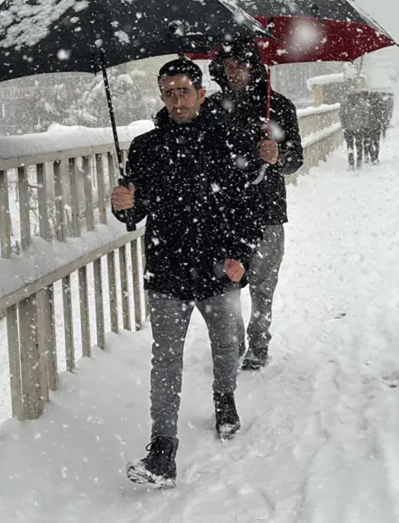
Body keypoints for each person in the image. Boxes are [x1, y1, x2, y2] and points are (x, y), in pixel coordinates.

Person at [111, 57, 262, 489]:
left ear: (200, 94)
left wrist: (241, 258)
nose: (176, 100)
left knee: (227, 343)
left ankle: (224, 396)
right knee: (166, 360)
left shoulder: (226, 141)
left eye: (183, 91)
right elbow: (133, 213)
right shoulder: (145, 147)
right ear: (161, 97)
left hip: (218, 266)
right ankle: (162, 450)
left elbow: (245, 209)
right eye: (168, 92)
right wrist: (122, 204)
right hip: (167, 268)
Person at [208, 41, 303, 371]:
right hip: (225, 214)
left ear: (255, 68)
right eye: (229, 66)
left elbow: (295, 160)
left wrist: (278, 156)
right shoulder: (214, 108)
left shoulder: (279, 107)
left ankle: (259, 341)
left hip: (267, 210)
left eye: (242, 65)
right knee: (227, 285)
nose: (235, 73)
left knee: (263, 286)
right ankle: (233, 340)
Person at [340, 90, 372, 169]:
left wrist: (344, 126)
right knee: (358, 145)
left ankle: (352, 163)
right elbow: (366, 115)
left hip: (350, 128)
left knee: (351, 146)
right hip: (356, 128)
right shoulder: (361, 104)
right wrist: (363, 125)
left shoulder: (345, 104)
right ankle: (358, 162)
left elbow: (342, 116)